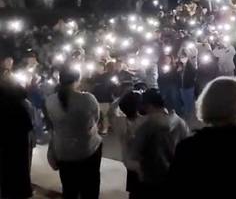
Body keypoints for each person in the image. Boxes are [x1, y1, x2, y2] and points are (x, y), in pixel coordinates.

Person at [45, 69, 102, 199]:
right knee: (90, 187)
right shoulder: (87, 98)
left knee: (69, 188)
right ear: (78, 80)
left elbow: (51, 123)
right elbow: (95, 119)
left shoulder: (50, 100)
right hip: (87, 149)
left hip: (63, 150)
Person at [132, 89, 189, 198]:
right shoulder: (180, 122)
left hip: (152, 180)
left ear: (149, 105)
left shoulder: (147, 126)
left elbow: (134, 155)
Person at [0, 76, 33, 199]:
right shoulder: (23, 106)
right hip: (19, 146)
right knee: (20, 172)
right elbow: (29, 126)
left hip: (5, 146)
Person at [109, 91, 144, 199]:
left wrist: (121, 97)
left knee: (134, 191)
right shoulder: (145, 121)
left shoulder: (119, 123)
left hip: (129, 162)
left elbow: (111, 111)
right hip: (146, 163)